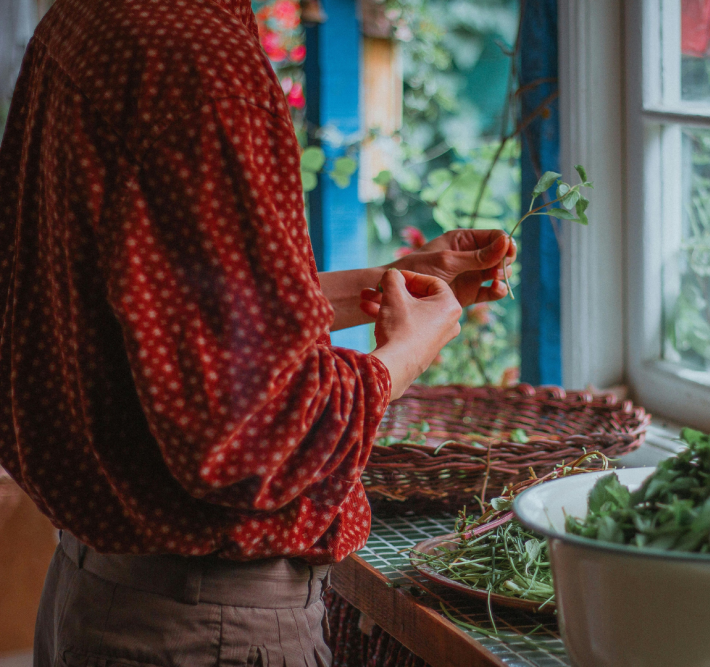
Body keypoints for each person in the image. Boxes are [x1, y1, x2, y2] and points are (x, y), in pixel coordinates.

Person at [0, 0, 515, 665]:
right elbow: (253, 435)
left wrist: (388, 283)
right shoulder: (202, 67)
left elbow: (178, 317)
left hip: (102, 591)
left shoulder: (97, 17)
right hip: (202, 627)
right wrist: (406, 354)